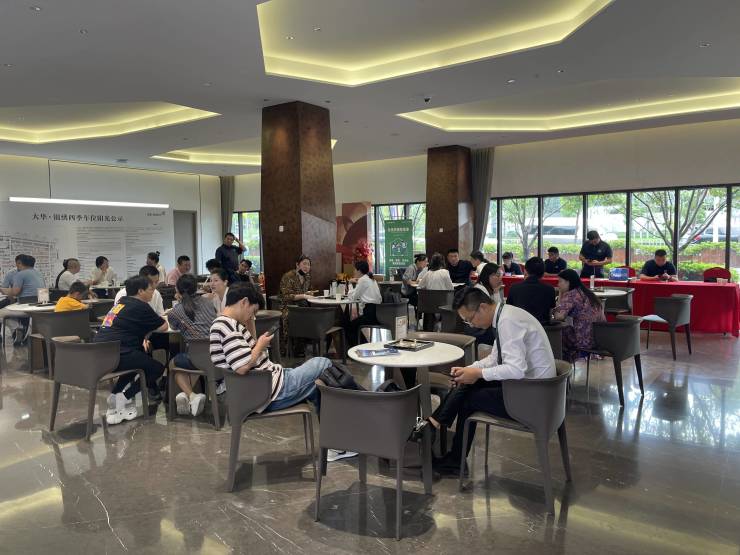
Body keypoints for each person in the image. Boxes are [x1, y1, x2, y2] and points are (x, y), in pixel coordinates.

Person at [432, 288, 555, 475]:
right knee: (470, 382)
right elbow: (494, 359)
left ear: (482, 307)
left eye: (470, 319)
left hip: (533, 400)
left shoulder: (508, 321)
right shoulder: (505, 315)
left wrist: (477, 373)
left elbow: (516, 369)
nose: (471, 324)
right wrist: (471, 369)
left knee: (468, 399)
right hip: (532, 389)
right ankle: (438, 424)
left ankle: (442, 436)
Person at [210, 282, 331, 415]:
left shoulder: (228, 324)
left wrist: (251, 323)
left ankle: (332, 420)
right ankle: (344, 410)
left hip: (265, 384)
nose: (252, 316)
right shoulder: (227, 326)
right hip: (264, 392)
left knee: (320, 385)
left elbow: (248, 353)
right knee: (323, 363)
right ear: (244, 302)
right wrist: (260, 346)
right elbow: (242, 367)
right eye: (253, 312)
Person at [95, 275, 168, 425]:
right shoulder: (141, 306)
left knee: (138, 363)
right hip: (119, 354)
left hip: (99, 353)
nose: (153, 292)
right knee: (157, 368)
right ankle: (124, 398)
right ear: (140, 291)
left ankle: (115, 396)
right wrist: (149, 330)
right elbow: (164, 326)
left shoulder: (120, 304)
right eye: (151, 289)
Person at [168, 274, 217, 416]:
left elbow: (173, 326)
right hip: (217, 357)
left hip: (197, 358)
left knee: (173, 364)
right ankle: (189, 396)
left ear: (178, 290)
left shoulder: (175, 311)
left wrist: (179, 301)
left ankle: (191, 395)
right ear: (196, 288)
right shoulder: (208, 303)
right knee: (194, 362)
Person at [552, 269, 606, 362]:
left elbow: (559, 317)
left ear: (568, 282)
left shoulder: (571, 295)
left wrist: (554, 309)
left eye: (560, 281)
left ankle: (563, 365)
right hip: (599, 340)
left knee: (557, 332)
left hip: (583, 342)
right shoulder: (586, 292)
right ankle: (568, 361)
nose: (558, 284)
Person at [0, 254, 45, 344]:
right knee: (8, 309)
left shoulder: (20, 274)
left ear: (19, 263)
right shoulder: (38, 273)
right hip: (39, 306)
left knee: (1, 313)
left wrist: (2, 289)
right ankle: (21, 329)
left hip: (25, 307)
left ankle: (16, 327)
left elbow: (15, 292)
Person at [279, 254, 314, 355]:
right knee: (300, 316)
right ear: (297, 265)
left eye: (309, 264)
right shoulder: (288, 276)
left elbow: (306, 291)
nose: (307, 267)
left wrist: (308, 293)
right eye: (304, 264)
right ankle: (292, 348)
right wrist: (303, 295)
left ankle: (300, 347)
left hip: (302, 306)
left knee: (310, 316)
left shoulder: (307, 277)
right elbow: (286, 296)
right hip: (288, 306)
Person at [505, 257, 557, 325]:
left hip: (519, 327)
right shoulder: (550, 289)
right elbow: (550, 314)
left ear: (525, 271)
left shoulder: (514, 287)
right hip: (542, 328)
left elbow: (509, 310)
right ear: (542, 274)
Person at [346, 260, 383, 347]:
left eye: (355, 269)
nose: (354, 271)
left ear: (359, 270)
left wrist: (350, 284)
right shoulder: (371, 278)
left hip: (370, 314)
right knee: (353, 325)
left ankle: (358, 347)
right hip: (378, 313)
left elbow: (353, 297)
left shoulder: (363, 280)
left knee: (349, 326)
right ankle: (364, 344)